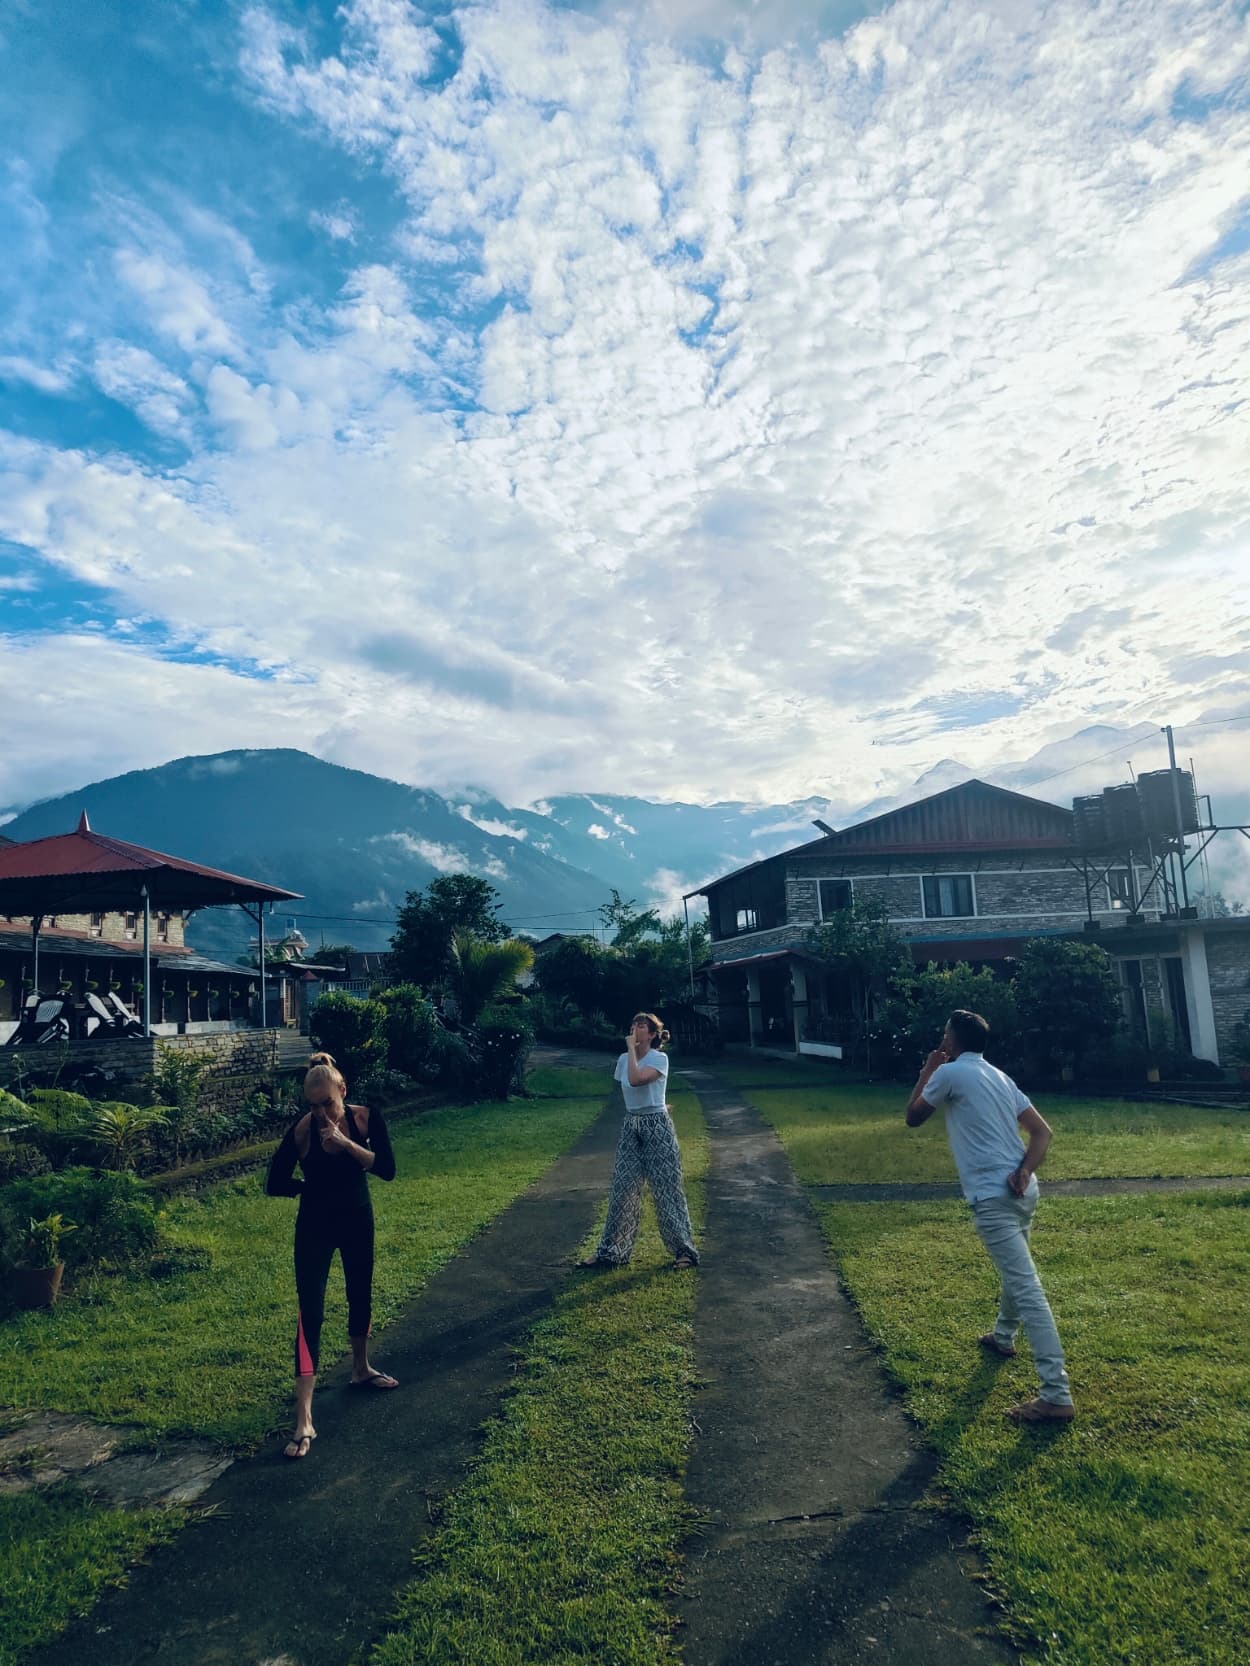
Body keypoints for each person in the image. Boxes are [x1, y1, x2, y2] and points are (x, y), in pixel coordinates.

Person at [905, 1009, 1075, 1423]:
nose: (942, 1040)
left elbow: (913, 1116)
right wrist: (1025, 1170)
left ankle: (1056, 1393)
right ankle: (1002, 1336)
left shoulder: (948, 1073)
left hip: (992, 1196)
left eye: (945, 1034)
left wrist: (928, 1070)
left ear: (953, 1041)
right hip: (1023, 1188)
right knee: (1017, 1275)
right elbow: (1042, 1132)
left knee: (1027, 1287)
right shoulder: (1000, 1076)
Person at [265, 1051, 398, 1459]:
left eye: (328, 1102)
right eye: (313, 1104)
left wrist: (346, 1146)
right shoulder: (303, 1131)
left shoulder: (365, 1119)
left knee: (361, 1292)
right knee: (312, 1310)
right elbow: (274, 1182)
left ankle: (360, 1368)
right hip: (316, 1226)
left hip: (358, 1217)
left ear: (343, 1090)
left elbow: (387, 1169)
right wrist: (307, 1188)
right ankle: (303, 1416)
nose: (322, 1111)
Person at [578, 1012, 699, 1272]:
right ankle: (611, 1252)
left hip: (657, 1127)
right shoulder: (623, 1060)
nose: (635, 1028)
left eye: (641, 1026)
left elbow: (636, 1079)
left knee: (667, 1190)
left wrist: (631, 1050)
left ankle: (684, 1251)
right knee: (622, 1190)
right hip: (631, 1125)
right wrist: (630, 1054)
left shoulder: (659, 1058)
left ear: (652, 1034)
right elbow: (629, 1092)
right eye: (633, 1024)